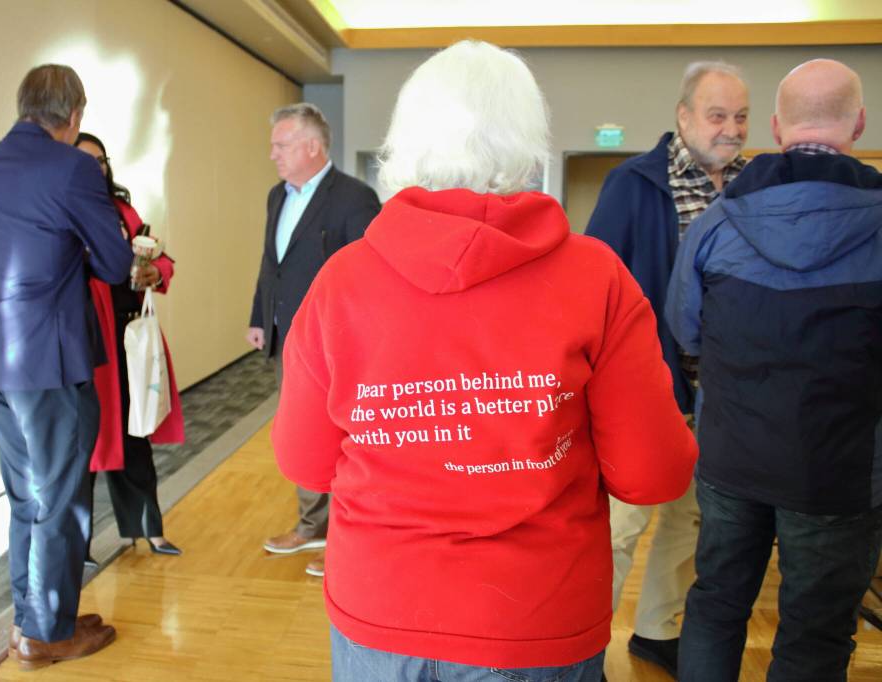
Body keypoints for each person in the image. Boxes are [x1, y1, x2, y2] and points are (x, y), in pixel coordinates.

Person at [271, 40, 698, 682]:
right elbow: (653, 475)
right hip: (537, 616)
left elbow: (303, 461)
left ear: (406, 138)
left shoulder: (341, 281)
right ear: (529, 138)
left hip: (382, 610)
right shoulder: (597, 278)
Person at [667, 58, 882, 682]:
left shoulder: (717, 222)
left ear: (777, 126)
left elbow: (687, 330)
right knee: (815, 630)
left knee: (716, 605)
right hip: (840, 472)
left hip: (732, 455)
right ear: (859, 123)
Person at [0, 64, 131, 669]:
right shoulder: (74, 167)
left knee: (25, 495)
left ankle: (34, 618)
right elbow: (114, 264)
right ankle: (46, 635)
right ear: (75, 115)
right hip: (49, 360)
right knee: (60, 497)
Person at [584, 61, 749, 677]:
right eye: (717, 115)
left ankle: (658, 629)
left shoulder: (751, 186)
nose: (731, 129)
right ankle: (583, 647)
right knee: (620, 525)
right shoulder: (634, 183)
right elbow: (596, 284)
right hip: (649, 391)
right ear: (683, 117)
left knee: (689, 521)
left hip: (722, 397)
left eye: (740, 116)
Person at [247, 103, 380, 576]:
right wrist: (260, 315)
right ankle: (312, 525)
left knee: (345, 437)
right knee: (305, 431)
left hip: (339, 338)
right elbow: (271, 262)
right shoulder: (276, 197)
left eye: (281, 145)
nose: (273, 155)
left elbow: (369, 272)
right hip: (291, 337)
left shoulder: (354, 198)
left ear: (312, 146)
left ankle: (347, 533)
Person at [74, 132, 185, 560]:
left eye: (100, 160)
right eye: (85, 160)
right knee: (85, 444)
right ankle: (76, 545)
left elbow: (160, 257)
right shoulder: (64, 213)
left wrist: (154, 272)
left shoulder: (122, 210)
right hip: (88, 342)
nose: (96, 168)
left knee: (136, 430)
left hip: (130, 338)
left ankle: (150, 528)